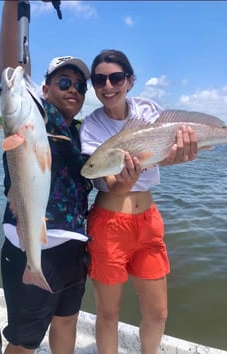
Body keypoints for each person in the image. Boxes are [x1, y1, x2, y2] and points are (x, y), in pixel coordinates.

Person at [79, 49, 198, 354]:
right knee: (108, 314)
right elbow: (110, 187)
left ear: (130, 80)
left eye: (116, 77)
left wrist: (180, 155)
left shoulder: (147, 110)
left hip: (149, 222)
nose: (108, 86)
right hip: (109, 226)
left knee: (158, 314)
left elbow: (161, 156)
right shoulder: (91, 127)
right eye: (99, 80)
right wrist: (126, 178)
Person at [0, 1, 92, 354]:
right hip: (33, 245)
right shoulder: (35, 117)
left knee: (66, 323)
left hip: (74, 246)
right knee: (25, 340)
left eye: (81, 86)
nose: (74, 90)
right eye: (65, 82)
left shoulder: (83, 133)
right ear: (45, 88)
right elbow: (12, 66)